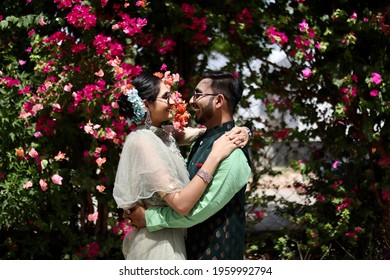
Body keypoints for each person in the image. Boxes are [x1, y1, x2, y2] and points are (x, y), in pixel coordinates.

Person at [113, 72, 249, 260]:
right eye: (165, 97)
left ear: (218, 101)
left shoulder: (166, 134)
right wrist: (215, 155)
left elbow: (204, 132)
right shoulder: (144, 141)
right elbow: (182, 204)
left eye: (198, 94)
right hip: (159, 245)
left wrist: (244, 130)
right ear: (146, 105)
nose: (174, 102)